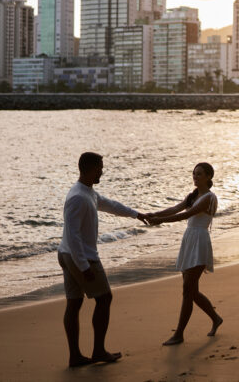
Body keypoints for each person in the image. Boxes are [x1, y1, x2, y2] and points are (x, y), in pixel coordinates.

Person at [58, 151, 150, 368]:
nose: (102, 171)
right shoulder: (78, 197)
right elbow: (73, 234)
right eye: (99, 168)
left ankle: (75, 357)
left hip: (68, 253)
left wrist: (136, 214)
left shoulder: (87, 192)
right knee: (104, 298)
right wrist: (84, 266)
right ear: (89, 169)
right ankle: (98, 351)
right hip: (79, 256)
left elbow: (110, 205)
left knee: (74, 302)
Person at [148, 162, 223, 345]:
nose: (195, 176)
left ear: (208, 177)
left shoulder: (209, 197)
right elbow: (175, 209)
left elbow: (185, 215)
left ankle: (179, 334)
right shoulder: (193, 196)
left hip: (199, 241)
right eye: (194, 173)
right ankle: (216, 318)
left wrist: (161, 221)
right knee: (191, 290)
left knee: (188, 290)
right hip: (189, 239)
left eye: (199, 174)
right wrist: (154, 214)